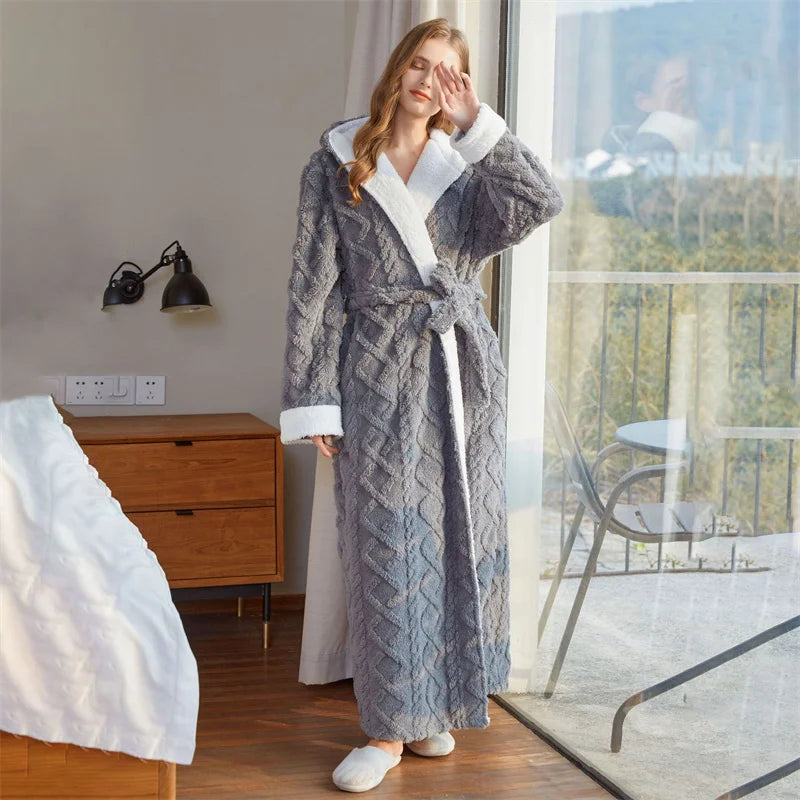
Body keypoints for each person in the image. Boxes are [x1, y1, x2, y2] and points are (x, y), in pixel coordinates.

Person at [279, 17, 563, 793]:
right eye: (419, 63)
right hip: (377, 373)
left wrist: (477, 127)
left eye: (446, 71)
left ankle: (431, 708)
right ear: (397, 68)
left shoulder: (466, 172)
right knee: (388, 543)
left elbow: (539, 201)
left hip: (461, 371)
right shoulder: (337, 166)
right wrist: (316, 399)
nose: (428, 79)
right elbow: (314, 290)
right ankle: (385, 728)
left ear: (456, 87)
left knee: (454, 541)